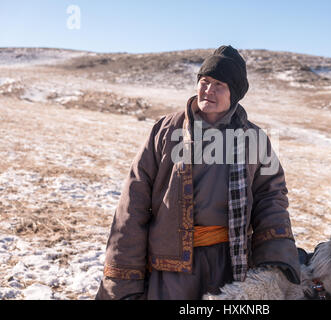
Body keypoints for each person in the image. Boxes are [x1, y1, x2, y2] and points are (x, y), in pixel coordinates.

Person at [95, 45, 302, 300]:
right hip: (171, 266)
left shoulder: (255, 139)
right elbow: (133, 201)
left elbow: (271, 199)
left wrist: (275, 257)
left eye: (219, 85)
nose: (209, 90)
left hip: (230, 263)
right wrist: (123, 273)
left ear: (234, 93)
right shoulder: (165, 130)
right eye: (204, 81)